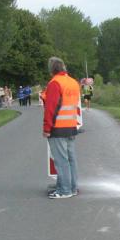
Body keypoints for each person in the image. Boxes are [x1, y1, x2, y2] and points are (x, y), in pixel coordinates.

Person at [43, 57, 82, 199]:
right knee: (71, 159)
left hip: (57, 127)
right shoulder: (73, 82)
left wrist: (46, 128)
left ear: (52, 69)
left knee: (61, 161)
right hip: (71, 125)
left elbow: (51, 108)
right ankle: (72, 187)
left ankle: (64, 190)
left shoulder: (55, 83)